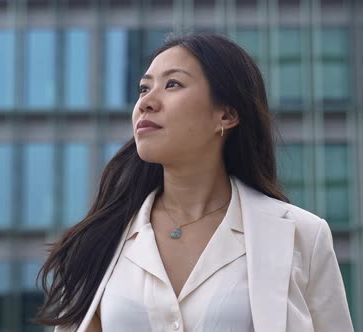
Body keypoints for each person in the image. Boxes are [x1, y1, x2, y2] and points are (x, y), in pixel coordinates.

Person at [33, 32, 353, 332]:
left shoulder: (302, 235)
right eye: (144, 88)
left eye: (172, 84)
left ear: (226, 115)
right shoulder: (100, 240)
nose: (146, 102)